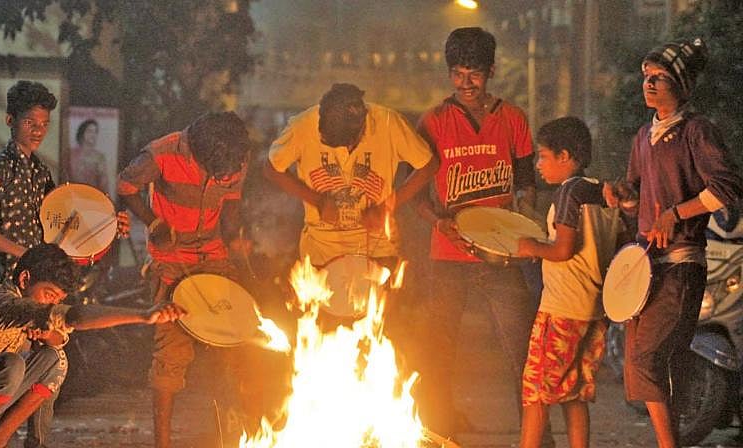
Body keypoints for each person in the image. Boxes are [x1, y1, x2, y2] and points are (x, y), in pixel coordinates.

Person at [0, 80, 129, 448]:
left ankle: (35, 442)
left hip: (37, 288)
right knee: (7, 374)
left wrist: (109, 226)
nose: (38, 130)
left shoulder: (41, 174)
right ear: (11, 120)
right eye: (30, 123)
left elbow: (64, 229)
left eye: (43, 124)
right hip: (8, 290)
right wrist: (25, 254)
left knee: (52, 359)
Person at [604, 38, 743, 448]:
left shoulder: (697, 132)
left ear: (681, 85)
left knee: (648, 358)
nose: (649, 84)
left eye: (660, 77)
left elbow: (727, 188)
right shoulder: (643, 137)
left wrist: (675, 214)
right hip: (646, 267)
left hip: (681, 265)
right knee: (650, 363)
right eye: (646, 77)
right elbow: (635, 195)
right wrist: (620, 195)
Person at [412, 27, 541, 441]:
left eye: (475, 74)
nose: (466, 83)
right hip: (448, 256)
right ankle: (436, 432)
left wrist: (525, 225)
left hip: (501, 256)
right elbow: (413, 192)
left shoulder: (513, 118)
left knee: (521, 353)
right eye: (458, 74)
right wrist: (439, 223)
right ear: (450, 74)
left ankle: (536, 437)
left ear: (491, 72)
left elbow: (526, 184)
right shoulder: (433, 121)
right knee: (438, 354)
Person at [0, 243, 185, 448]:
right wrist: (144, 315)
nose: (52, 304)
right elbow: (76, 318)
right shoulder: (5, 302)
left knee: (55, 359)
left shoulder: (18, 301)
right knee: (11, 365)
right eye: (49, 295)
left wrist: (47, 336)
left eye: (58, 300)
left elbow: (58, 337)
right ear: (25, 279)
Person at [117, 111, 253, 448]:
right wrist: (153, 223)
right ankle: (163, 444)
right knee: (171, 355)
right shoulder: (162, 153)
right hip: (171, 263)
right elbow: (125, 185)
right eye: (220, 173)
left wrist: (242, 262)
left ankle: (234, 436)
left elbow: (232, 211)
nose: (229, 176)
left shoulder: (234, 155)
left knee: (236, 343)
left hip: (215, 256)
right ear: (200, 156)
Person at [516, 117, 620, 448]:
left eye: (543, 156)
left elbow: (563, 250)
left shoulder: (568, 193)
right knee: (574, 392)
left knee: (535, 393)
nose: (538, 164)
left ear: (565, 156)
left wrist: (531, 247)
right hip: (593, 311)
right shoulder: (600, 193)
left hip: (561, 309)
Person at [264, 83, 437, 269]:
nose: (345, 149)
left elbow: (429, 165)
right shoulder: (304, 125)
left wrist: (386, 207)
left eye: (348, 144)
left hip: (378, 253)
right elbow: (272, 168)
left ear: (362, 126)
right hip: (320, 254)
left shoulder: (389, 123)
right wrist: (318, 201)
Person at [69, 118, 109, 191]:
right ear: (82, 132)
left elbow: (104, 184)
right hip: (72, 196)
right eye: (90, 131)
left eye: (95, 132)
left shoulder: (99, 157)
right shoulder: (71, 154)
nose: (93, 135)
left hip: (92, 197)